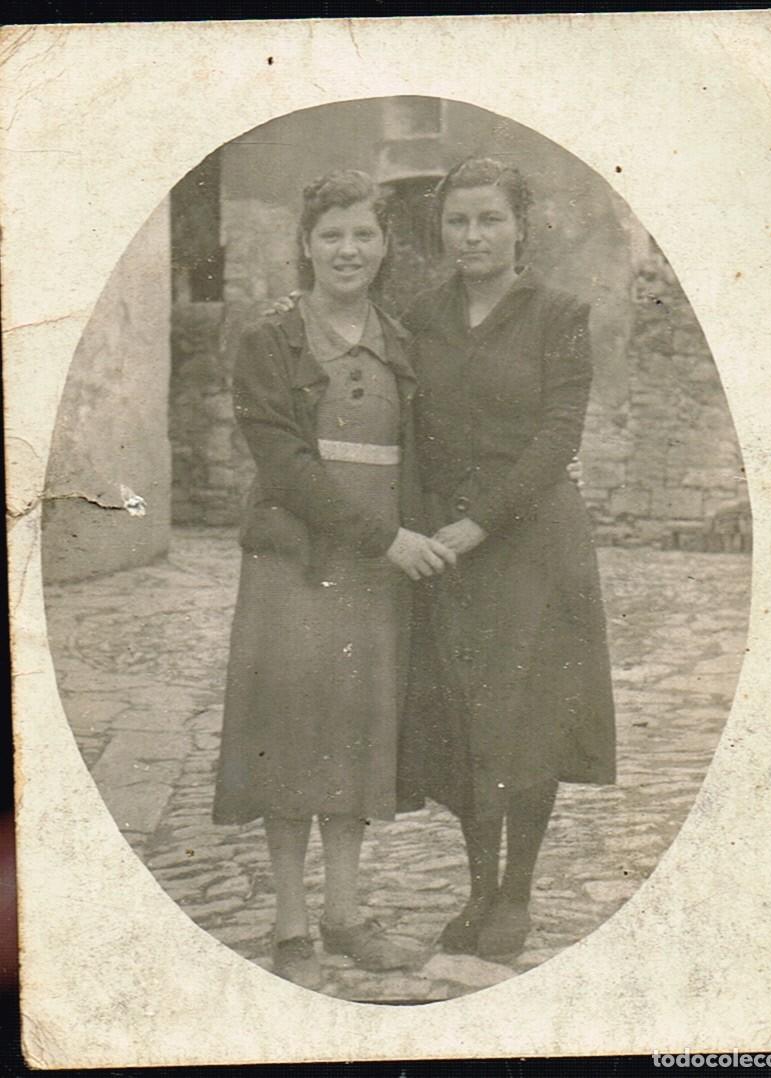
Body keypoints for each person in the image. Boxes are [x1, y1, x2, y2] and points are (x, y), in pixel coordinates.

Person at [212, 169, 455, 990]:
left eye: (363, 234)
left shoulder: (400, 341)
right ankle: (290, 926)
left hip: (377, 577)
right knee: (290, 737)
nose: (349, 250)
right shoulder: (270, 340)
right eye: (332, 235)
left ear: (385, 245)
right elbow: (284, 465)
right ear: (306, 244)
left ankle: (345, 915)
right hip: (295, 564)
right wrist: (386, 538)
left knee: (356, 737)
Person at [397, 157, 616, 962]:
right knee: (466, 721)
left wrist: (481, 523)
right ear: (441, 229)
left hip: (532, 543)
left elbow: (559, 436)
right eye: (458, 221)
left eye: (490, 219)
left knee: (529, 722)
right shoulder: (420, 317)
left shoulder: (559, 315)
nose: (473, 235)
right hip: (448, 548)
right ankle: (477, 891)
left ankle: (515, 894)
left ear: (521, 226)